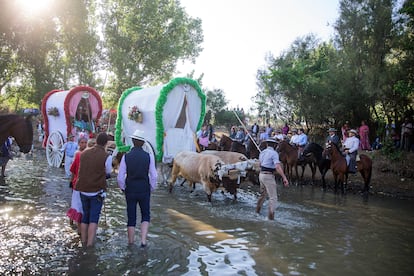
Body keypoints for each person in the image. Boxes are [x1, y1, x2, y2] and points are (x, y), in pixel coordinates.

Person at [117, 130, 158, 247]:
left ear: (133, 141)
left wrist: (123, 188)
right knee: (145, 214)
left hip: (130, 188)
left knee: (131, 216)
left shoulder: (126, 156)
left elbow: (120, 177)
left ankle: (131, 242)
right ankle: (143, 241)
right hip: (144, 188)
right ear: (143, 143)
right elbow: (154, 175)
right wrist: (151, 187)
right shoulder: (148, 156)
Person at [75, 132, 112, 247]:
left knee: (85, 215)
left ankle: (84, 241)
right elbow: (108, 172)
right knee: (94, 218)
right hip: (96, 191)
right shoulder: (107, 156)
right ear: (106, 143)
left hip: (82, 189)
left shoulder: (84, 153)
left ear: (96, 141)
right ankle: (90, 244)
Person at [256, 138, 289, 220]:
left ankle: (257, 211)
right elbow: (277, 166)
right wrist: (284, 177)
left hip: (261, 175)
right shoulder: (274, 153)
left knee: (262, 195)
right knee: (273, 198)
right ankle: (271, 218)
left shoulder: (262, 152)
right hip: (268, 176)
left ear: (267, 144)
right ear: (275, 145)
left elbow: (260, 164)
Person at [66, 137, 89, 231]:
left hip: (84, 183)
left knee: (78, 204)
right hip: (77, 182)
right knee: (77, 204)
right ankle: (74, 222)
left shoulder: (86, 154)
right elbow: (73, 170)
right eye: (82, 142)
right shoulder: (77, 154)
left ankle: (74, 222)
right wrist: (71, 181)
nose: (84, 144)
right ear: (79, 144)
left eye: (85, 142)